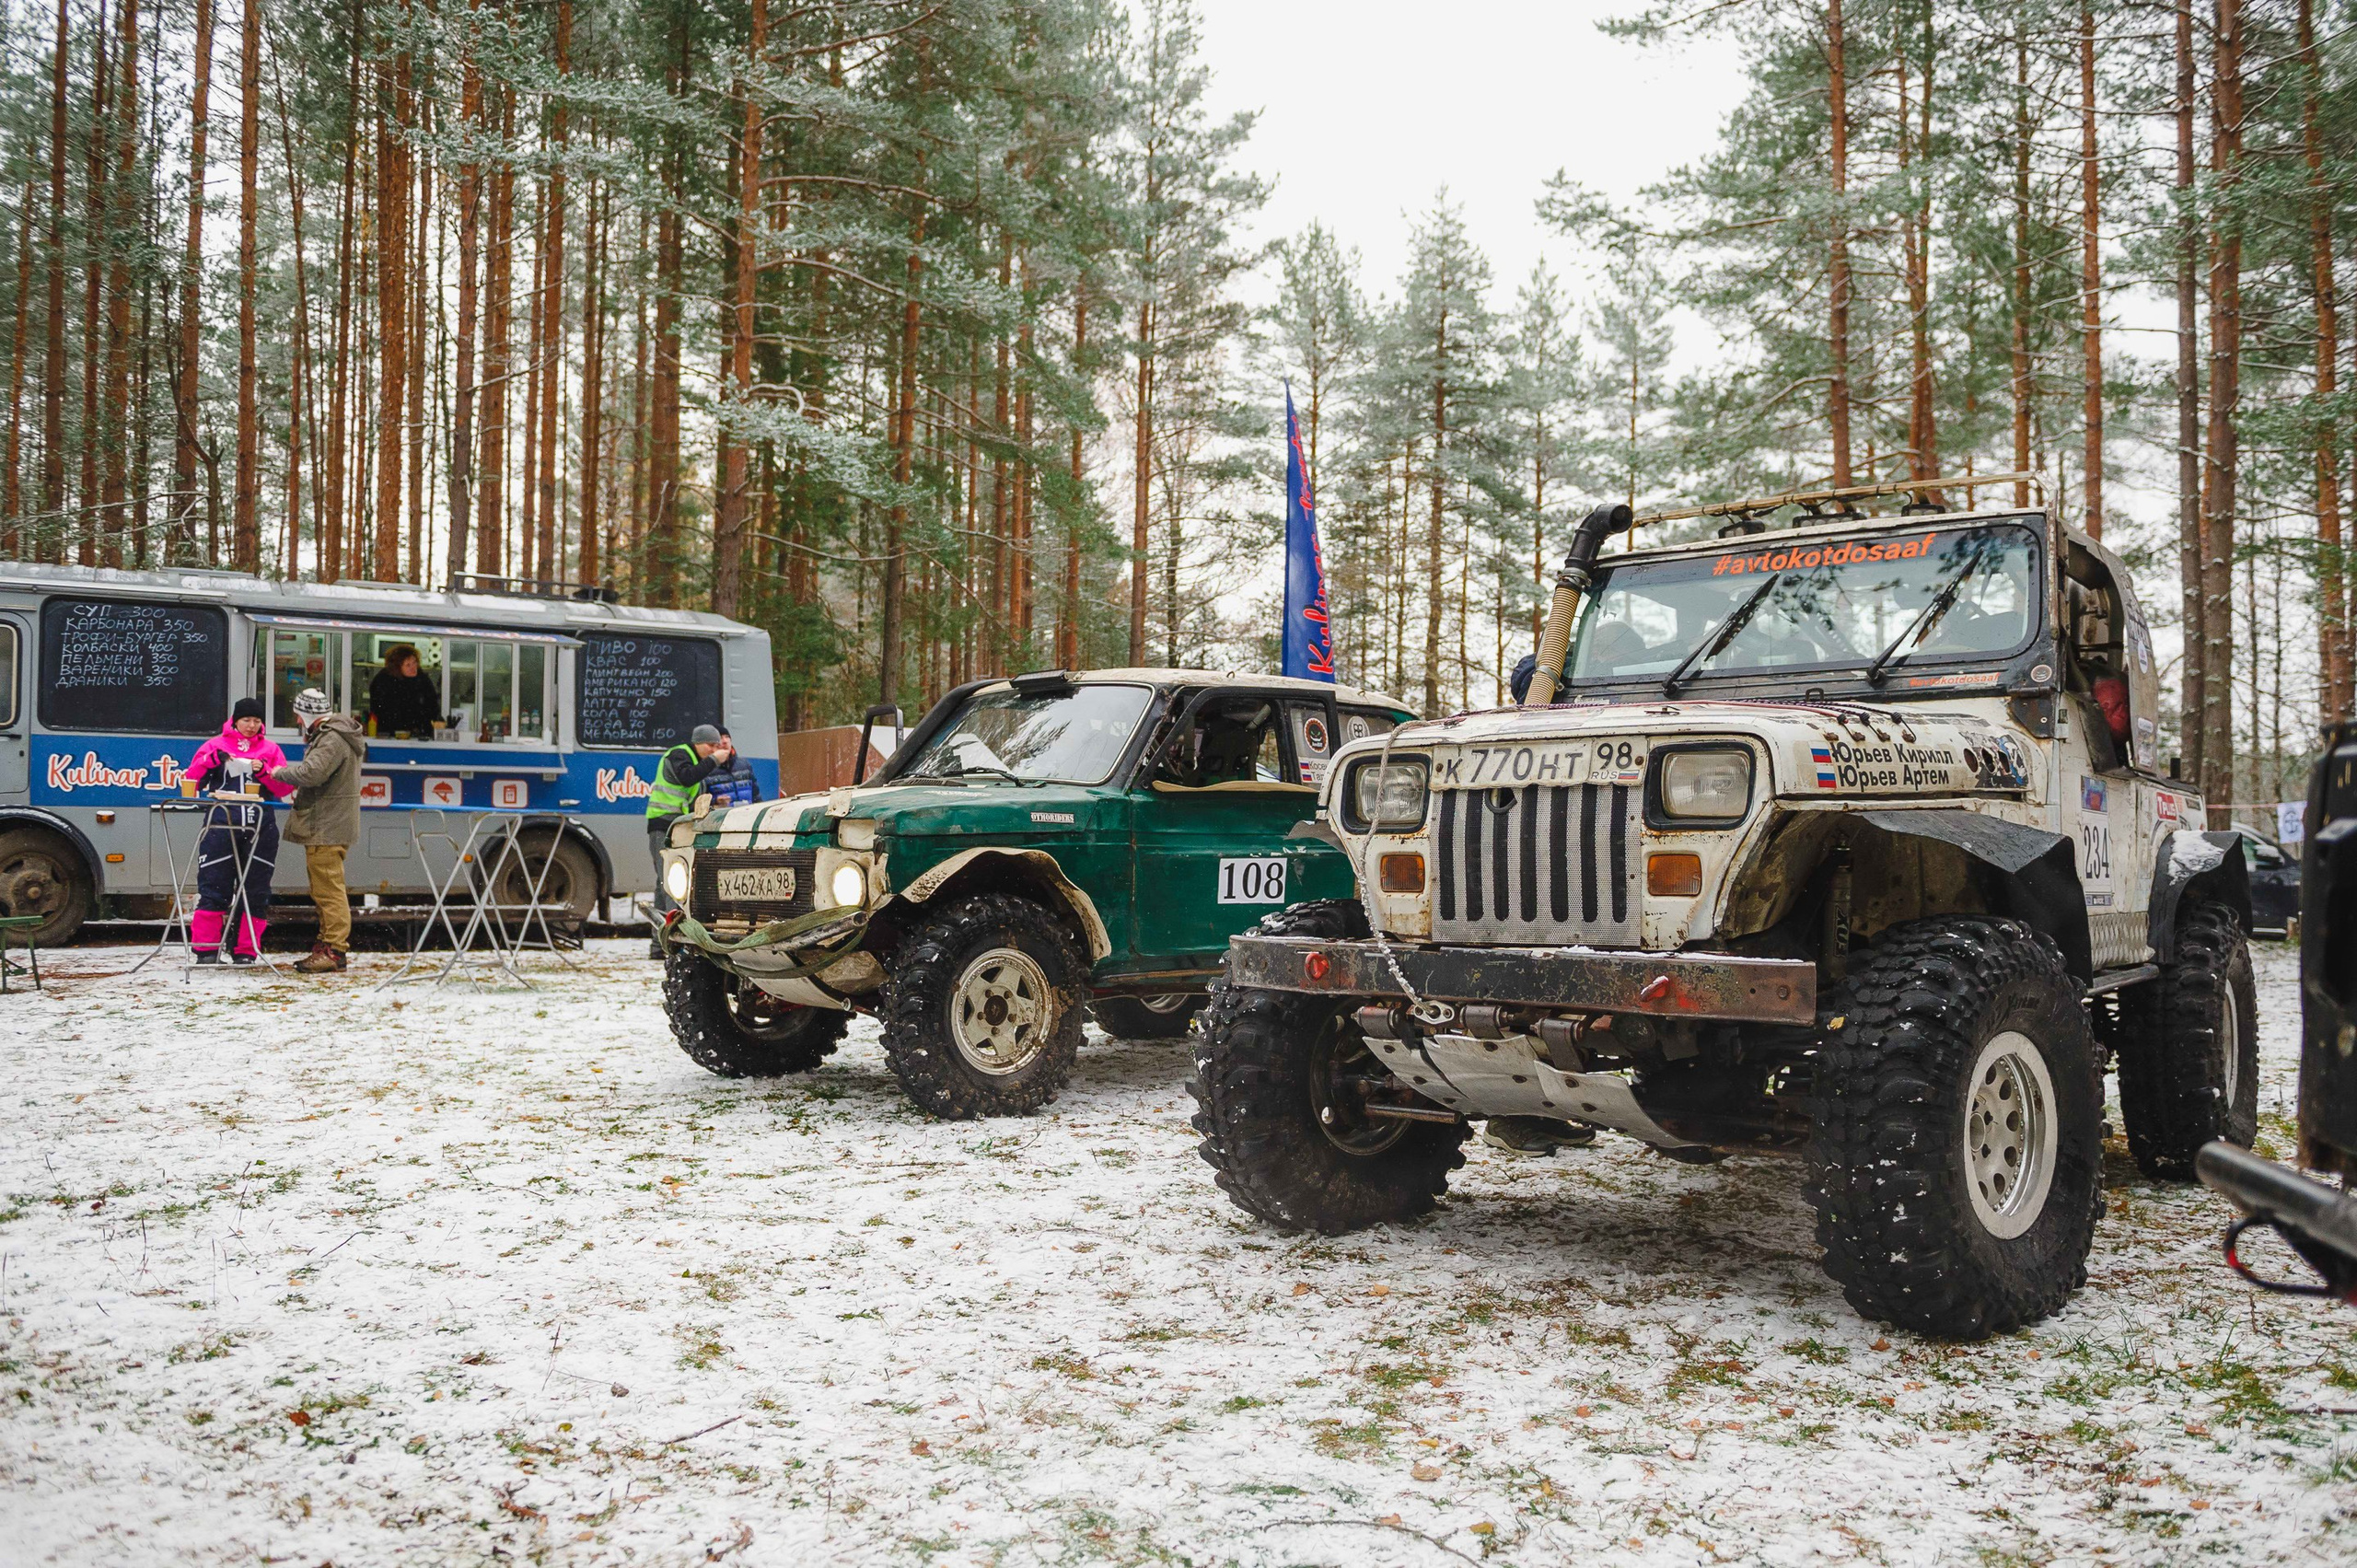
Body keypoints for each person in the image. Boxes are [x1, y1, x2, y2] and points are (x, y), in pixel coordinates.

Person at [267, 688, 368, 974]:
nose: (298, 721)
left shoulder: (332, 738)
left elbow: (312, 773)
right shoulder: (335, 734)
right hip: (329, 823)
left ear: (307, 714)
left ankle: (334, 951)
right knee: (324, 889)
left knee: (328, 891)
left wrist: (278, 773)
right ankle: (327, 947)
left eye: (299, 715)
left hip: (327, 824)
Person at [185, 697, 292, 964]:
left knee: (256, 891)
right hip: (220, 826)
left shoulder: (270, 749)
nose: (252, 726)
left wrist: (265, 772)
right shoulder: (215, 745)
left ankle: (246, 950)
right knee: (214, 887)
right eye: (246, 720)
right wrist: (212, 760)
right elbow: (192, 778)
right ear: (235, 721)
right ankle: (206, 950)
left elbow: (284, 789)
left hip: (260, 828)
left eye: (257, 721)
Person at [644, 724, 732, 955]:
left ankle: (659, 943)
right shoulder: (679, 755)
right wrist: (714, 760)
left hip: (678, 827)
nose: (714, 750)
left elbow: (690, 796)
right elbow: (686, 778)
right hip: (663, 825)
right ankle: (675, 942)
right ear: (698, 742)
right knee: (672, 885)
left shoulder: (694, 762)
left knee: (665, 882)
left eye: (717, 746)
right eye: (710, 746)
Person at [367, 643, 442, 739]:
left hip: (420, 736)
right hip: (389, 736)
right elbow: (380, 711)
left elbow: (433, 706)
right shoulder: (383, 681)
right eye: (408, 665)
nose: (413, 667)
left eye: (415, 662)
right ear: (397, 667)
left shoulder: (422, 679)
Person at [707, 726, 762, 807]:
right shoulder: (707, 769)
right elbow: (700, 802)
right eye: (720, 738)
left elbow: (756, 796)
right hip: (723, 817)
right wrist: (715, 801)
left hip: (748, 815)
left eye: (727, 737)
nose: (725, 741)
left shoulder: (744, 765)